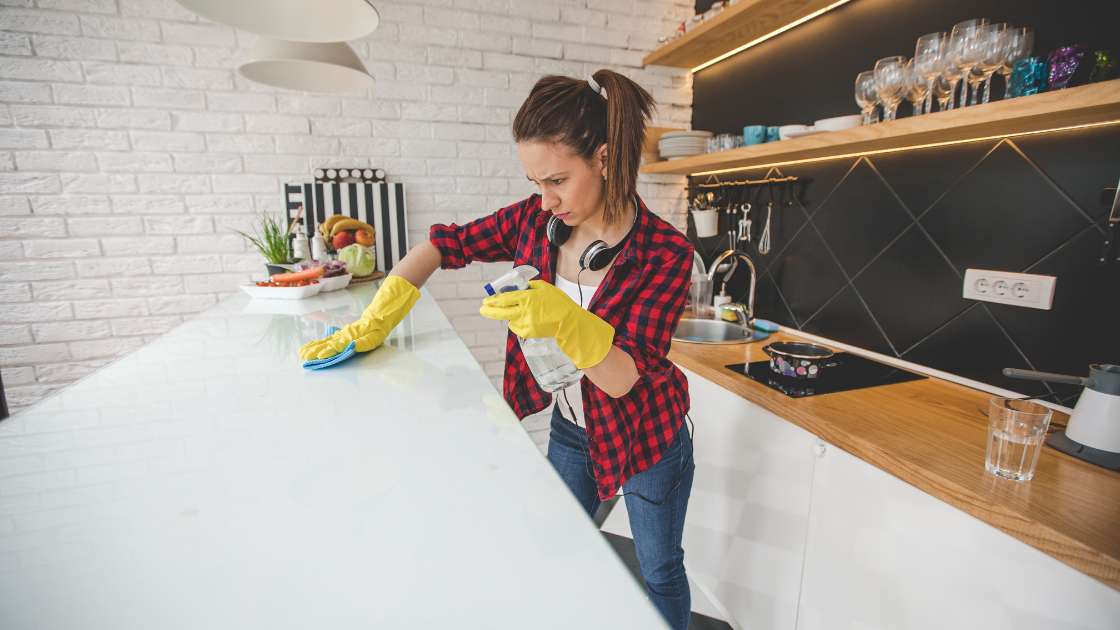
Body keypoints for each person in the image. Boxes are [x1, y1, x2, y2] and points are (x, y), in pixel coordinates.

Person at [299, 69, 696, 630]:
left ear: (604, 159)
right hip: (573, 432)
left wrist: (562, 317)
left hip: (650, 436)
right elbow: (442, 245)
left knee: (659, 570)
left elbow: (622, 378)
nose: (546, 199)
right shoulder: (535, 222)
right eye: (536, 182)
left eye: (557, 179)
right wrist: (373, 321)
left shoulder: (664, 252)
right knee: (558, 549)